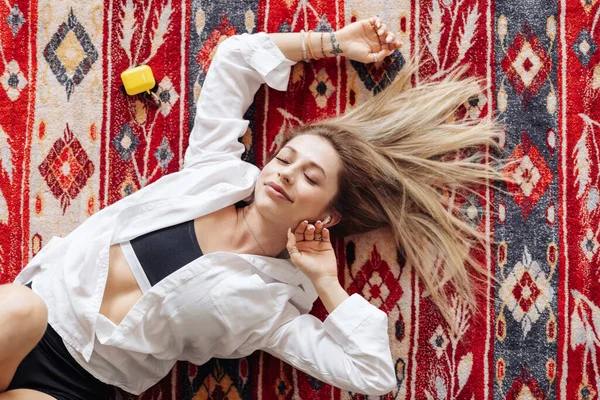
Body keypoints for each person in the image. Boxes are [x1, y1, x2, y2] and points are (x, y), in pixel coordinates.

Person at [0, 15, 514, 400]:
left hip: (80, 381)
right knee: (16, 309)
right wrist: (333, 43)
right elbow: (234, 59)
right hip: (44, 305)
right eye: (285, 158)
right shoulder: (214, 172)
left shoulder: (275, 308)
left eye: (310, 176)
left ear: (328, 216)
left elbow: (373, 375)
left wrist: (328, 285)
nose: (286, 172)